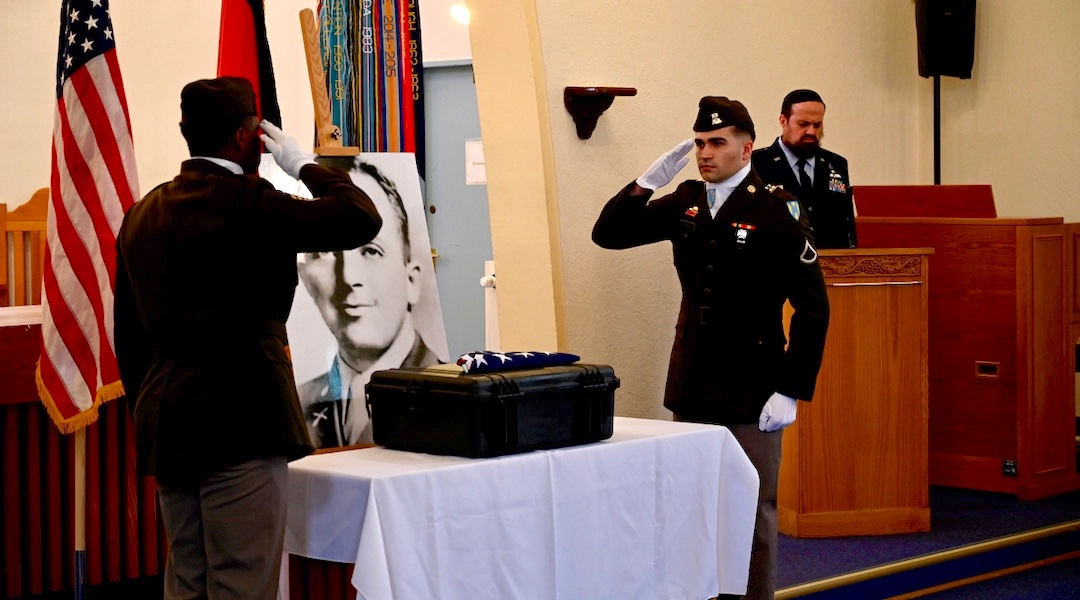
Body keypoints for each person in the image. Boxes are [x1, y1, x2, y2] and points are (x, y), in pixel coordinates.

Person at [113, 76, 382, 600]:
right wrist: (304, 165)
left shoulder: (142, 213)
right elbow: (360, 216)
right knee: (243, 579)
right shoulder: (252, 203)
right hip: (243, 417)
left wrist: (150, 412)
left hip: (167, 421)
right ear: (245, 138)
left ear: (185, 133)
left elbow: (128, 335)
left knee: (187, 577)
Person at [592, 96, 830, 600]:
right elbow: (607, 234)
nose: (705, 153)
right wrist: (645, 183)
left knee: (752, 506)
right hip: (695, 379)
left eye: (717, 143)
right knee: (693, 504)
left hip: (754, 385)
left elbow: (813, 308)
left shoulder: (777, 206)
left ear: (745, 151)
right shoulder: (685, 200)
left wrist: (791, 389)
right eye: (700, 143)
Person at [297, 158, 441, 449]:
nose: (348, 278)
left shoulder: (443, 394)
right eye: (325, 253)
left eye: (371, 251)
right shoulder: (301, 402)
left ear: (411, 280)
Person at [751, 89, 856, 249]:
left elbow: (846, 225)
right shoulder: (757, 164)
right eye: (803, 124)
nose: (811, 131)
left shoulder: (836, 164)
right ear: (783, 121)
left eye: (817, 125)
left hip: (831, 266)